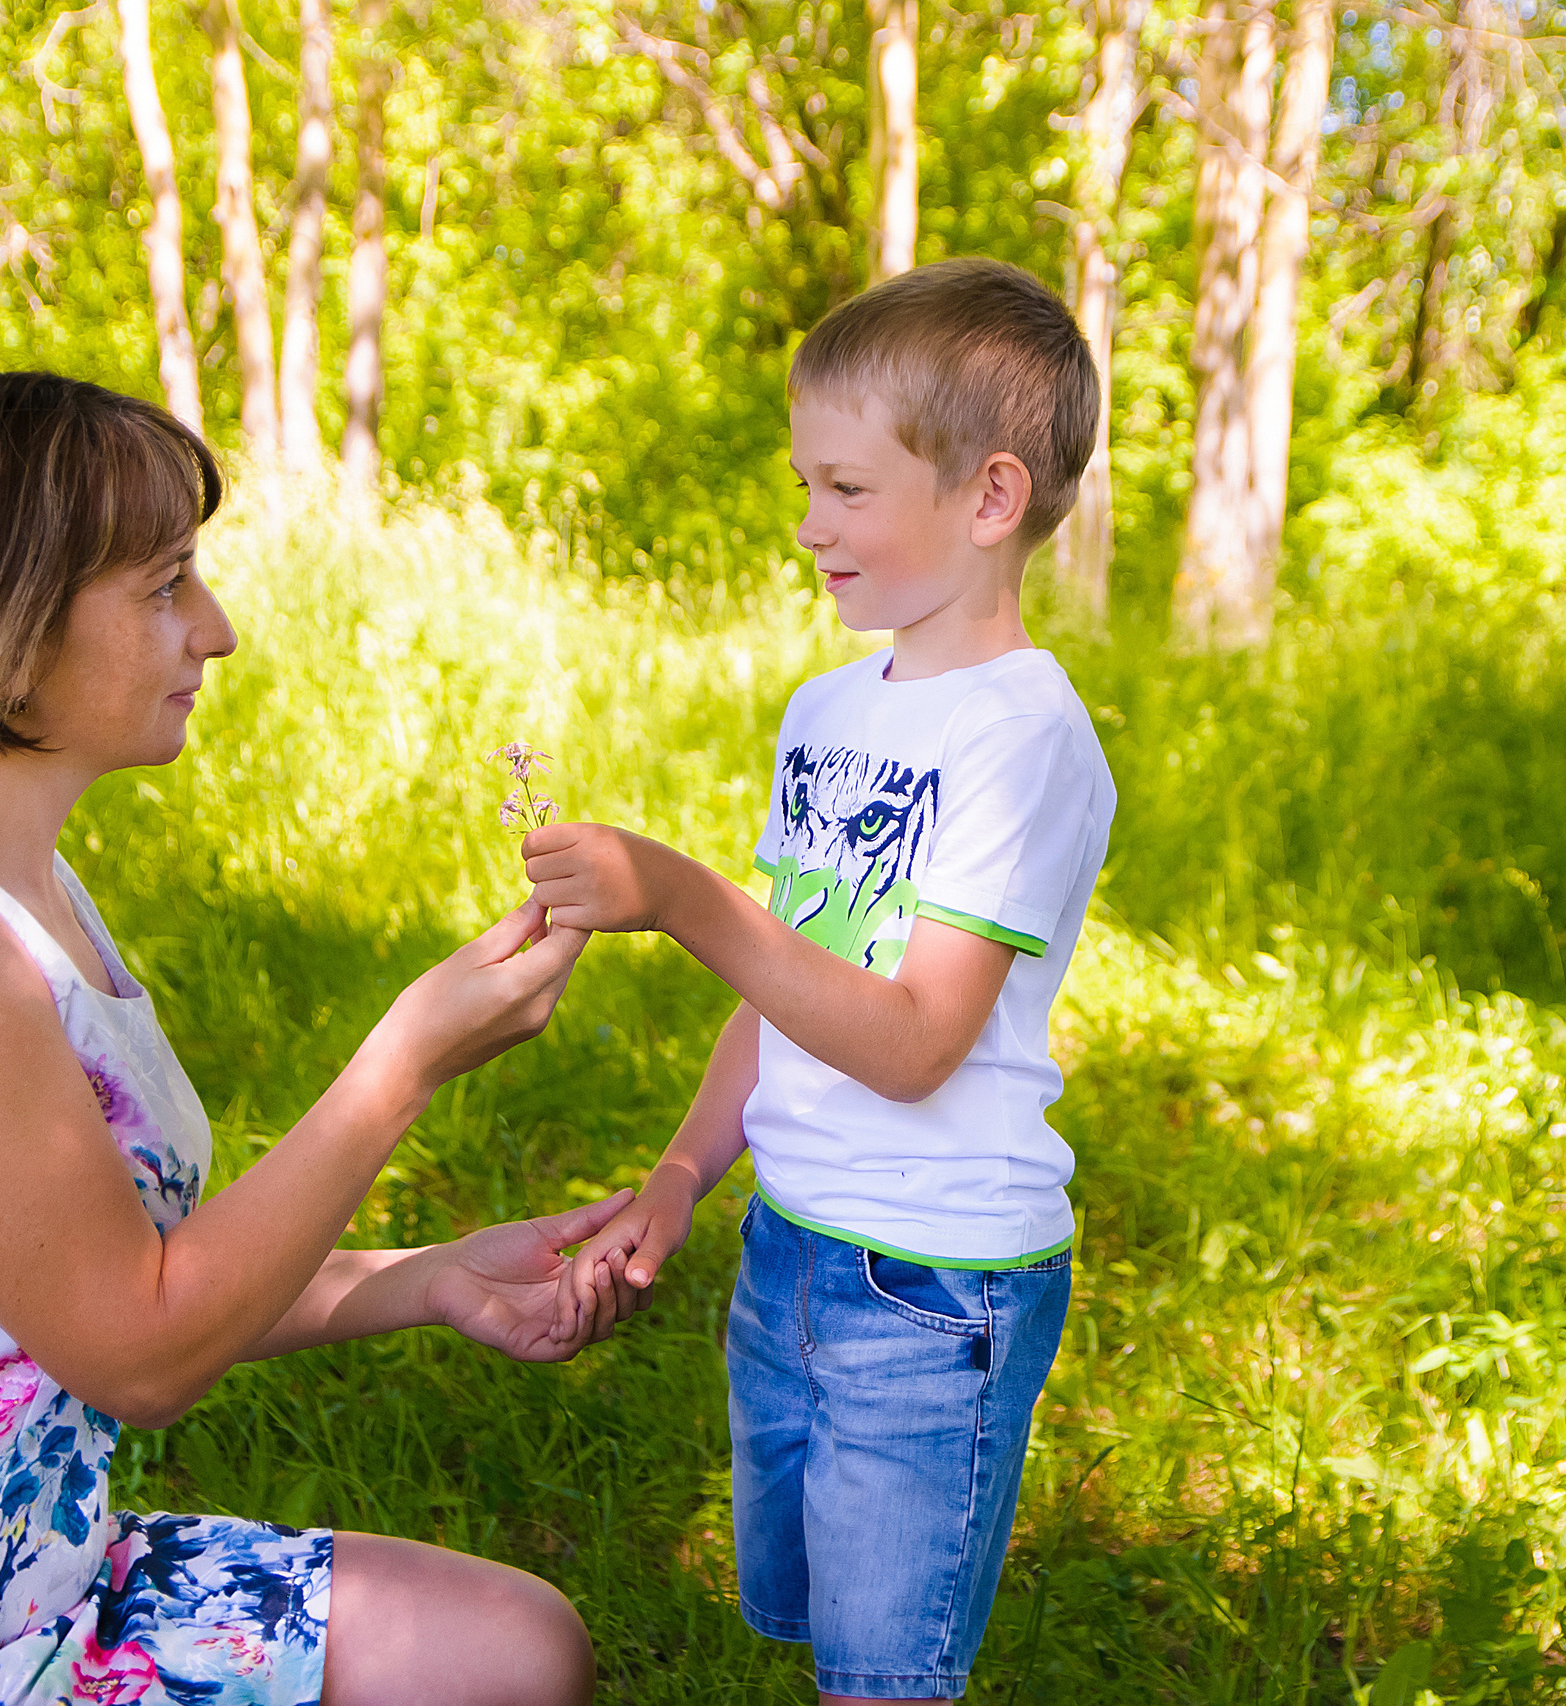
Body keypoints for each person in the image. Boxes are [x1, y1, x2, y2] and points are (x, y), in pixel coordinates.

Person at [0, 367, 642, 1706]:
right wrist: (404, 1063)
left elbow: (102, 1273)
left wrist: (434, 1274)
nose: (212, 629)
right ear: (4, 622)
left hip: (37, 1580)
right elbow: (140, 1346)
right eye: (164, 587)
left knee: (517, 1652)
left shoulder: (10, 885)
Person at [522, 259, 1113, 1703]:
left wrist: (680, 896)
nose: (809, 527)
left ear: (988, 498)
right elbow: (798, 981)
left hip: (933, 1286)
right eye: (807, 486)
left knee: (885, 1673)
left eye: (846, 490)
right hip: (792, 1247)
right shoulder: (833, 709)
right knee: (798, 1616)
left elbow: (913, 1041)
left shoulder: (1021, 738)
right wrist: (679, 1173)